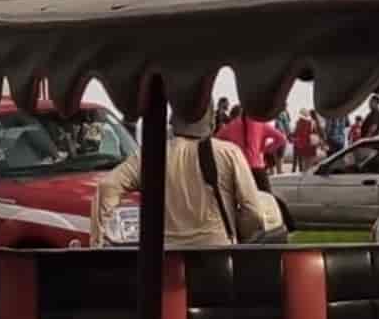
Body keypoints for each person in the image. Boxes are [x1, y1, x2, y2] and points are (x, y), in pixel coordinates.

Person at [90, 106, 265, 248]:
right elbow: (254, 212)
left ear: (173, 120)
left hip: (167, 257)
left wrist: (97, 243)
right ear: (211, 120)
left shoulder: (150, 154)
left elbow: (107, 186)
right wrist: (238, 230)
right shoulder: (228, 153)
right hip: (216, 254)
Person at [215, 111, 288, 192]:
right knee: (267, 200)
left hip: (240, 169)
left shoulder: (233, 125)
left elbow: (217, 139)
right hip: (258, 168)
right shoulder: (261, 124)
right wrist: (265, 149)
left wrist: (229, 151)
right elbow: (282, 139)